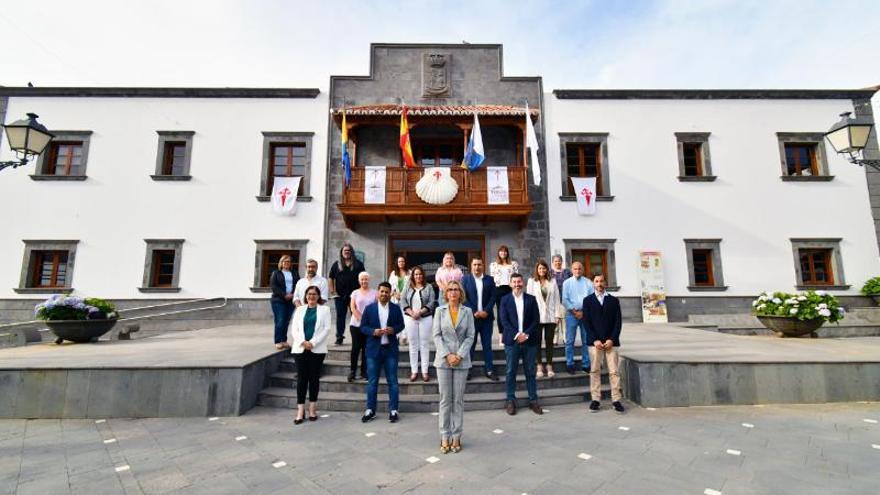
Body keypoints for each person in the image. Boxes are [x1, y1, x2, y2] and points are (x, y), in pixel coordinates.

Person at [432, 280, 475, 454]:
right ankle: (444, 435)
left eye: (456, 289)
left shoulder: (468, 311)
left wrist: (459, 355)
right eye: (450, 289)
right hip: (443, 361)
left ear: (460, 293)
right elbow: (436, 335)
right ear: (446, 293)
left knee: (458, 400)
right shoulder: (439, 311)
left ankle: (456, 435)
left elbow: (470, 336)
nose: (453, 292)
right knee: (445, 399)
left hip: (461, 360)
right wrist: (447, 355)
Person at [360, 282, 405, 423]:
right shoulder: (369, 309)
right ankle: (370, 409)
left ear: (390, 293)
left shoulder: (396, 309)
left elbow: (401, 324)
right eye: (382, 291)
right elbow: (362, 327)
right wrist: (373, 331)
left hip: (390, 350)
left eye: (387, 292)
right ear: (377, 293)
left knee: (393, 381)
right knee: (372, 381)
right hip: (373, 350)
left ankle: (393, 410)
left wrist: (394, 330)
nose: (384, 294)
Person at [499, 273, 542, 416]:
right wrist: (518, 335)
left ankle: (533, 400)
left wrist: (526, 335)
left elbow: (536, 320)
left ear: (522, 283)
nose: (517, 284)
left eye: (519, 282)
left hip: (529, 341)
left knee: (530, 371)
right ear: (510, 284)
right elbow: (504, 321)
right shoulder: (504, 300)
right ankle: (510, 400)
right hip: (512, 341)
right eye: (514, 282)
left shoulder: (531, 299)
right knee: (511, 371)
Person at [581, 274, 624, 414]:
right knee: (594, 371)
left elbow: (618, 322)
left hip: (612, 342)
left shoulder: (613, 300)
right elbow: (586, 323)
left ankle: (616, 400)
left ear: (605, 283)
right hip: (595, 343)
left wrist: (612, 339)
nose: (599, 284)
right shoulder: (587, 301)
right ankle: (596, 400)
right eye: (596, 281)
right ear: (593, 284)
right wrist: (595, 339)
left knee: (614, 372)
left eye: (601, 281)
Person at [289, 286, 331, 424]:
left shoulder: (325, 310)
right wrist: (302, 342)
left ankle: (312, 408)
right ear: (305, 296)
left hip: (317, 349)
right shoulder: (299, 310)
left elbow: (326, 329)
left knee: (314, 379)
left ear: (318, 296)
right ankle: (300, 410)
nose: (311, 296)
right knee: (302, 379)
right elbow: (294, 329)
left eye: (314, 294)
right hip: (300, 349)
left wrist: (312, 342)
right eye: (309, 294)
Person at [461, 257, 498, 381]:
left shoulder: (489, 280)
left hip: (486, 318)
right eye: (475, 265)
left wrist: (486, 311)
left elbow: (493, 297)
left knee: (487, 345)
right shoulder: (465, 279)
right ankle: (468, 370)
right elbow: (463, 297)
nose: (477, 267)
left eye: (479, 265)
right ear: (471, 266)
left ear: (483, 266)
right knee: (470, 345)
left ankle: (489, 370)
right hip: (472, 318)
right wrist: (474, 312)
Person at [401, 266, 437, 382]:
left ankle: (425, 371)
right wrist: (411, 313)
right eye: (416, 274)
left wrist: (421, 312)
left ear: (423, 275)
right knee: (413, 344)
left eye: (420, 274)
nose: (418, 276)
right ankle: (414, 371)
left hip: (425, 318)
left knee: (424, 344)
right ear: (413, 276)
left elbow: (432, 302)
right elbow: (403, 301)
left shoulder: (429, 287)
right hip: (410, 318)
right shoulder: (408, 286)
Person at [526, 260, 561, 379]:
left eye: (544, 268)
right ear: (537, 269)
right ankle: (539, 365)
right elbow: (529, 300)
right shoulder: (532, 282)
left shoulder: (553, 281)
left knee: (549, 342)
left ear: (547, 269)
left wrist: (557, 315)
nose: (542, 270)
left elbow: (557, 299)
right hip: (537, 317)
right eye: (540, 268)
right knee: (537, 342)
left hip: (551, 316)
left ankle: (549, 365)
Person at [328, 243, 366, 346]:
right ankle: (339, 337)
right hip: (340, 296)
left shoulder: (358, 264)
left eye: (349, 250)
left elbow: (363, 278)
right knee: (340, 317)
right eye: (345, 250)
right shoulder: (337, 264)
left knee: (356, 316)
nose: (347, 252)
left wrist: (362, 292)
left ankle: (358, 337)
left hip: (355, 296)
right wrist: (332, 291)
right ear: (342, 252)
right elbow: (331, 278)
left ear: (351, 252)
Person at [561, 261, 594, 375]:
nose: (577, 271)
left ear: (583, 270)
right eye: (575, 269)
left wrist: (584, 312)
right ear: (571, 270)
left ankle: (586, 364)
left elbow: (591, 298)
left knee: (586, 340)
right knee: (570, 341)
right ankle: (570, 364)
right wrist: (574, 311)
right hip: (571, 314)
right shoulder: (566, 283)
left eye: (579, 269)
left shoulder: (588, 282)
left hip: (586, 314)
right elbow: (564, 300)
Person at [348, 272, 377, 383]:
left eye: (366, 279)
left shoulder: (375, 293)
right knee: (355, 348)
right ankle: (352, 371)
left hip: (369, 326)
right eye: (362, 279)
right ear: (359, 281)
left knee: (366, 349)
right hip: (355, 324)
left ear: (369, 280)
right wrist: (361, 319)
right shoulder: (355, 293)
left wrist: (366, 321)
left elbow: (375, 308)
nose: (364, 281)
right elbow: (352, 307)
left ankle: (364, 371)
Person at [490, 245, 518, 347]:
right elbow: (493, 278)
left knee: (511, 312)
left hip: (510, 289)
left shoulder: (513, 264)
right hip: (499, 289)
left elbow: (516, 277)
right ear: (498, 253)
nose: (503, 253)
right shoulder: (494, 265)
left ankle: (511, 335)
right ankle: (501, 338)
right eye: (501, 251)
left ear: (507, 253)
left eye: (505, 251)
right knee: (500, 313)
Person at [270, 255, 299, 350]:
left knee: (286, 321)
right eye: (285, 261)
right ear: (281, 263)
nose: (287, 263)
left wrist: (293, 294)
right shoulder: (276, 273)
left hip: (291, 300)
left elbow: (298, 285)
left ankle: (284, 340)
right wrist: (284, 295)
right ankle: (278, 341)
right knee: (280, 320)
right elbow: (274, 286)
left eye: (289, 261)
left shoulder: (294, 273)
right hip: (278, 300)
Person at [549, 254, 572, 345]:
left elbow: (571, 284)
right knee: (555, 320)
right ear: (553, 262)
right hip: (553, 300)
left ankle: (565, 338)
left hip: (565, 299)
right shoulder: (549, 272)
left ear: (562, 261)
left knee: (565, 320)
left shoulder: (567, 272)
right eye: (555, 261)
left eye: (559, 260)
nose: (557, 262)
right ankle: (555, 339)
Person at [388, 255, 411, 346]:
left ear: (405, 263)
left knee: (406, 318)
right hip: (396, 299)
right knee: (396, 318)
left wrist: (403, 295)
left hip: (406, 299)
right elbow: (390, 286)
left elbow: (412, 286)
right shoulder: (393, 273)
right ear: (397, 263)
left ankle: (404, 337)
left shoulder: (410, 272)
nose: (401, 263)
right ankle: (396, 337)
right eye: (399, 262)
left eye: (402, 261)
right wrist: (394, 294)